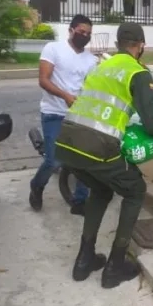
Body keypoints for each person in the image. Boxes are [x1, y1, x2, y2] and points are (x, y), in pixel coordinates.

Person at [54, 23, 153, 287]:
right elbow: (151, 123)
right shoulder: (138, 73)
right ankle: (114, 266)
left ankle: (84, 260)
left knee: (102, 190)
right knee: (135, 190)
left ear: (118, 44)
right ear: (140, 46)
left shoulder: (101, 66)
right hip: (97, 146)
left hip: (67, 143)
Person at [29, 14, 98, 215]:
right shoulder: (53, 49)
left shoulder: (91, 60)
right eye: (81, 32)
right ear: (71, 30)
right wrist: (65, 95)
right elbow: (43, 79)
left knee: (83, 159)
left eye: (88, 34)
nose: (84, 36)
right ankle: (36, 186)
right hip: (54, 113)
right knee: (54, 160)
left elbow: (90, 87)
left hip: (78, 115)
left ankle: (79, 202)